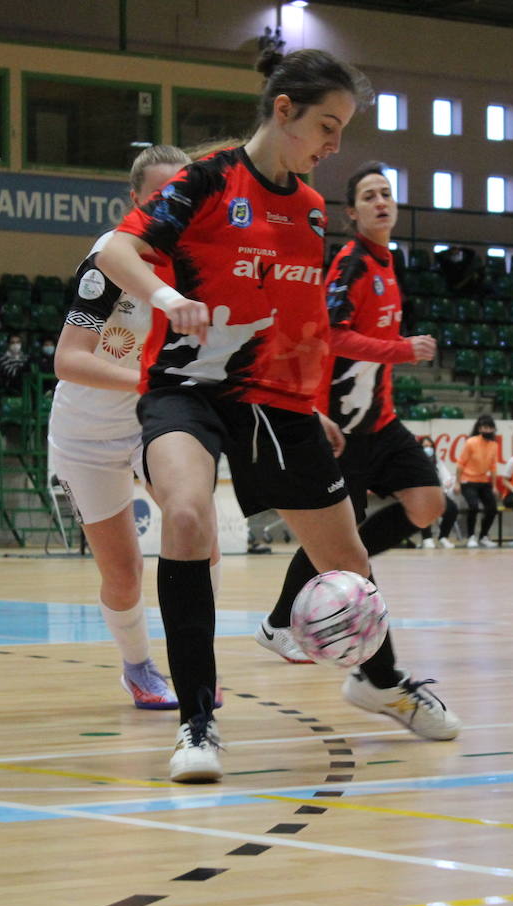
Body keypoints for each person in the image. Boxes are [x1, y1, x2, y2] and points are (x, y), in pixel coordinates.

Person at [96, 47, 458, 783]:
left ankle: (379, 681)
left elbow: (303, 325)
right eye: (327, 125)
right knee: (189, 518)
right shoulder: (206, 180)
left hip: (279, 401)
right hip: (185, 390)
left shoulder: (312, 208)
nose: (334, 146)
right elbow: (116, 249)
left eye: (343, 131)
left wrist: (315, 404)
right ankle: (198, 720)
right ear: (282, 110)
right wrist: (168, 300)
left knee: (348, 562)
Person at [256, 160, 444, 662]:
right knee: (338, 535)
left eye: (387, 193)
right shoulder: (351, 262)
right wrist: (402, 350)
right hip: (342, 424)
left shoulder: (388, 261)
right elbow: (333, 334)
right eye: (369, 196)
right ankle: (280, 622)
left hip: (380, 419)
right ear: (352, 212)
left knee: (427, 503)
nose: (381, 201)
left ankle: (345, 574)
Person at [49, 145, 213, 711]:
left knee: (202, 538)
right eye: (158, 197)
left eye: (179, 198)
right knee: (125, 572)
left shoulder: (196, 259)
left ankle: (195, 664)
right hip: (87, 433)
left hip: (153, 424)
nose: (172, 210)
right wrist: (150, 383)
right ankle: (138, 668)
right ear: (134, 201)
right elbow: (68, 360)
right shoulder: (108, 262)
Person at [456, 414, 500, 547]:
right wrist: (457, 483)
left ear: (493, 429)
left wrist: (494, 486)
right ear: (480, 429)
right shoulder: (471, 442)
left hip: (483, 481)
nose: (487, 430)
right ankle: (471, 537)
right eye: (484, 428)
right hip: (468, 481)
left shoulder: (494, 445)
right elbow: (460, 464)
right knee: (473, 506)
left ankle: (484, 536)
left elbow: (493, 467)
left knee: (492, 508)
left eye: (489, 428)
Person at [415, 435, 458, 548]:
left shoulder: (437, 462)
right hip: (420, 495)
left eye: (430, 446)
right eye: (424, 446)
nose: (428, 449)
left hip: (437, 493)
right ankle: (427, 538)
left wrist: (447, 484)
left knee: (452, 508)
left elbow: (446, 477)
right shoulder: (414, 461)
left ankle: (443, 537)